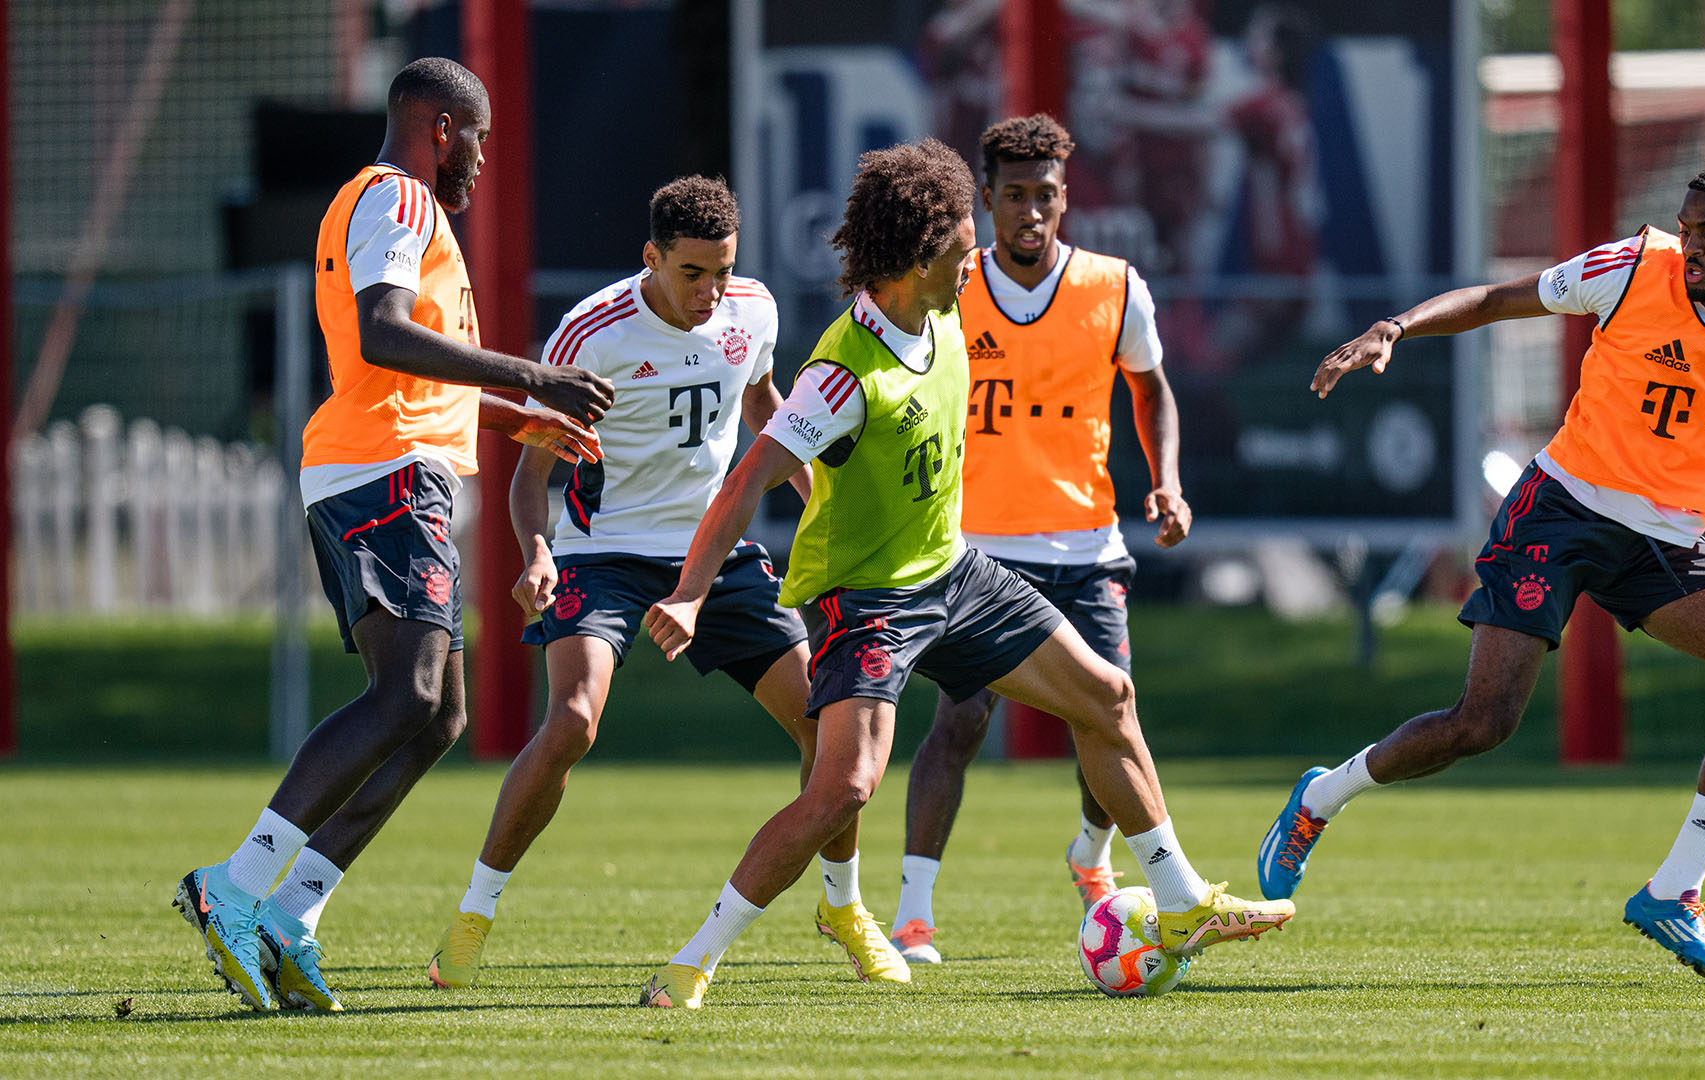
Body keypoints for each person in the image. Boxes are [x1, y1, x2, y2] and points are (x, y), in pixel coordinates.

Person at [637, 138, 1293, 1010]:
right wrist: (686, 595)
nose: (974, 253)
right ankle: (694, 959)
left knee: (1110, 698)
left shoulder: (945, 312)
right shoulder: (842, 373)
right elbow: (747, 480)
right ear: (918, 254)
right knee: (844, 788)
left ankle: (1179, 904)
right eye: (958, 241)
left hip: (955, 572)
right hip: (867, 598)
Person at [1258, 162, 1705, 981]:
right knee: (1484, 723)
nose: (1691, 247)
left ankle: (1674, 892)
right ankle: (1321, 797)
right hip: (1561, 512)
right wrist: (1395, 327)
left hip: (1667, 542)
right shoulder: (1632, 268)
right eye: (1687, 228)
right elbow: (1499, 299)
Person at [172, 57, 614, 1013]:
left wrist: (512, 418)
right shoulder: (401, 202)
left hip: (389, 466)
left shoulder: (390, 208)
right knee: (405, 691)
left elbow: (415, 373)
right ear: (442, 128)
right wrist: (535, 377)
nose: (486, 161)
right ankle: (236, 886)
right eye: (480, 139)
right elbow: (381, 333)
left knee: (437, 713)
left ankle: (292, 911)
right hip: (383, 473)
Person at [423, 176, 870, 988]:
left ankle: (842, 903)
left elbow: (771, 409)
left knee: (827, 724)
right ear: (651, 258)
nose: (712, 291)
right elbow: (531, 473)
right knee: (572, 721)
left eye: (723, 271)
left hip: (717, 550)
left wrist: (823, 512)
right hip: (603, 557)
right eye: (693, 273)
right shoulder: (589, 334)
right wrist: (536, 550)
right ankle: (471, 919)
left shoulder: (754, 311)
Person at [885, 114, 1191, 966]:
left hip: (1087, 546)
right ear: (983, 200)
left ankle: (1091, 855)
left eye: (1044, 196)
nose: (1029, 212)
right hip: (974, 548)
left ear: (1066, 199)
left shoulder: (1114, 285)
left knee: (1111, 710)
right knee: (961, 719)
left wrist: (1164, 479)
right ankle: (915, 914)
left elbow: (1152, 387)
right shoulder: (950, 286)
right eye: (1012, 195)